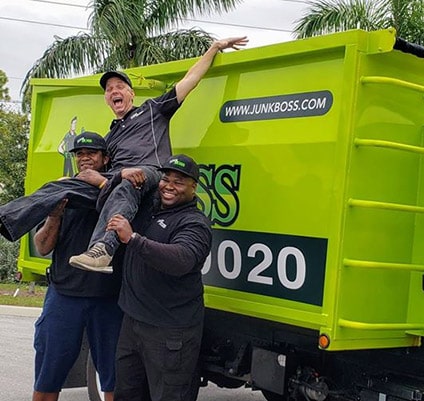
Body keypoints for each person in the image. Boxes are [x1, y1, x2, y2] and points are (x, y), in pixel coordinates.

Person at [0, 36, 248, 274]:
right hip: (118, 182)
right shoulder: (109, 138)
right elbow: (103, 175)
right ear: (107, 99)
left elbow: (190, 80)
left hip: (149, 173)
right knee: (59, 186)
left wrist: (214, 48)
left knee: (130, 179)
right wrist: (77, 181)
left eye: (120, 86)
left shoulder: (153, 110)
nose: (114, 91)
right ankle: (7, 219)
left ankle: (103, 249)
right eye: (109, 89)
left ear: (131, 94)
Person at [106, 154, 212, 401]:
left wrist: (133, 239)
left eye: (179, 181)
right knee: (127, 394)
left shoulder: (195, 223)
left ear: (194, 187)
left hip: (170, 333)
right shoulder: (149, 210)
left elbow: (181, 260)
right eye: (166, 179)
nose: (169, 186)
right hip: (133, 324)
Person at [32, 131, 123, 401]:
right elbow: (43, 246)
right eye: (80, 154)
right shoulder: (62, 191)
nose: (85, 158)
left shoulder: (119, 195)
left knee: (114, 379)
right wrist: (54, 216)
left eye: (91, 154)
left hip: (108, 299)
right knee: (48, 374)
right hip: (64, 297)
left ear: (105, 159)